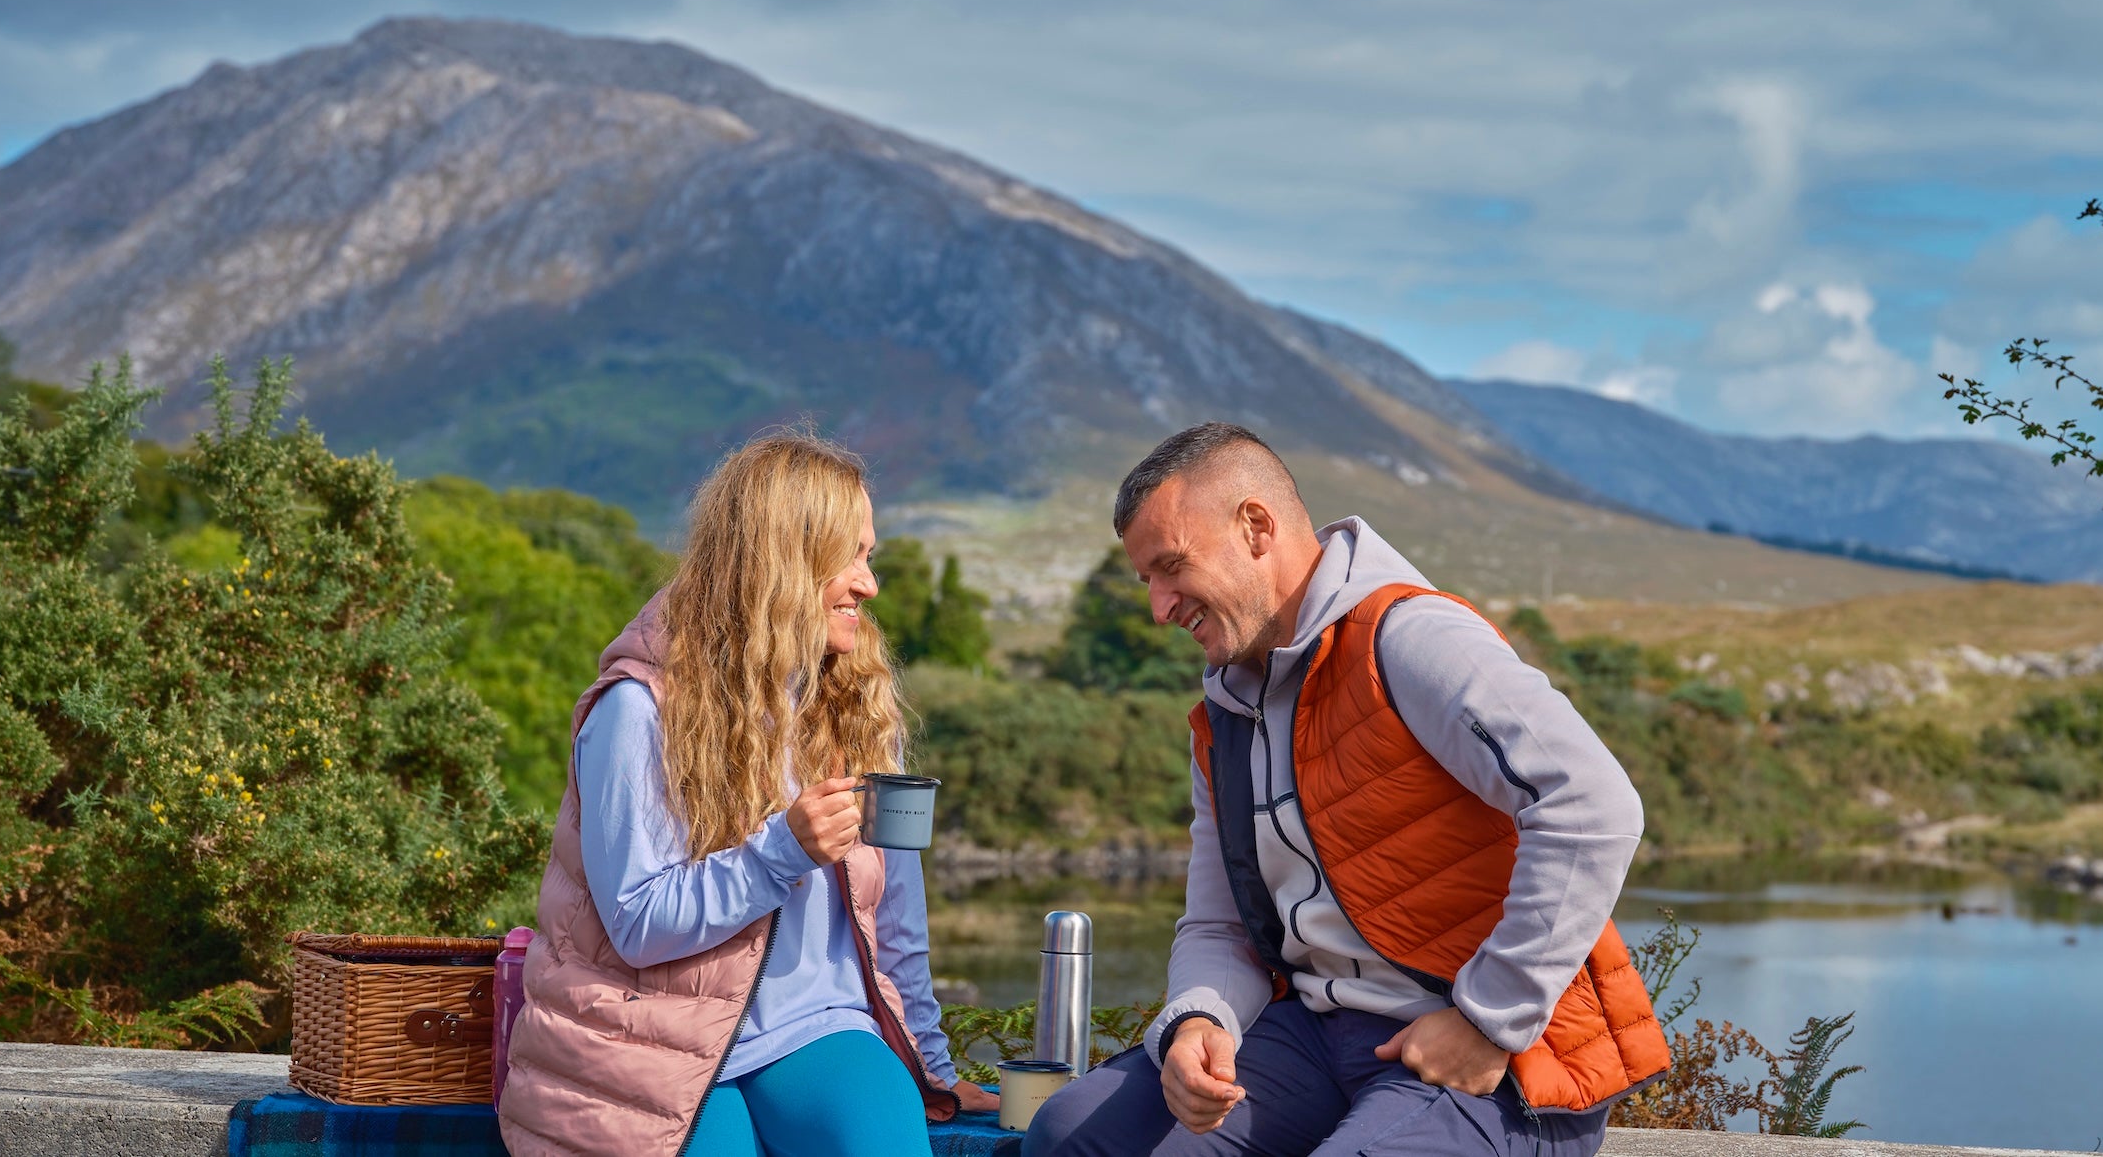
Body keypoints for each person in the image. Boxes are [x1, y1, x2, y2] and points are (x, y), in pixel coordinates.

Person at [1025, 423, 1668, 1157]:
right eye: (1148, 582)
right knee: (1072, 1136)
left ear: (1256, 527)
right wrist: (1199, 1020)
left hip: (1497, 1064)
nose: (1160, 608)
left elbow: (1594, 808)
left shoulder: (1411, 638)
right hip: (1314, 1038)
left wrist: (1490, 1019)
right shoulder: (1225, 718)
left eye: (1172, 567)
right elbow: (1219, 925)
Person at [499, 431, 994, 1157]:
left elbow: (896, 926)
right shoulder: (637, 711)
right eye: (850, 557)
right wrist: (782, 851)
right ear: (782, 562)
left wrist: (934, 1071)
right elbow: (637, 923)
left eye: (870, 555)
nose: (869, 583)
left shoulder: (855, 709)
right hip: (654, 1035)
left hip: (822, 1030)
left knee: (880, 1135)